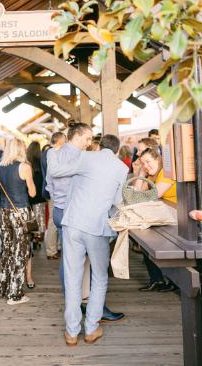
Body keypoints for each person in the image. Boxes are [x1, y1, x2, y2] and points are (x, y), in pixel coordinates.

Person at [47, 131, 129, 346]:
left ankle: (72, 332)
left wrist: (52, 151)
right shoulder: (122, 168)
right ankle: (91, 329)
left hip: (73, 223)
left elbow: (56, 171)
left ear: (98, 145)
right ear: (117, 150)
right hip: (97, 227)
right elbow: (118, 201)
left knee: (73, 279)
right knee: (99, 278)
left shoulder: (86, 157)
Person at [124, 143, 176, 291]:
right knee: (145, 240)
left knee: (151, 241)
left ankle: (170, 281)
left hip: (176, 216)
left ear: (158, 159)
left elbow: (155, 194)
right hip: (163, 215)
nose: (146, 166)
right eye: (143, 163)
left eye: (148, 162)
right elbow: (136, 193)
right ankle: (157, 279)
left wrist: (140, 188)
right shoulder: (152, 175)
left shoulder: (167, 172)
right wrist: (141, 173)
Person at [0, 136, 36, 305]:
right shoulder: (25, 167)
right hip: (20, 212)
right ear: (21, 149)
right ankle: (15, 295)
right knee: (21, 252)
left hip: (4, 212)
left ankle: (3, 288)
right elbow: (32, 193)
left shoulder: (0, 167)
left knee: (7, 250)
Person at [42, 129, 66, 258]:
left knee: (55, 220)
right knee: (53, 221)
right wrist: (52, 193)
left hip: (54, 192)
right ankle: (51, 250)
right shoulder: (50, 153)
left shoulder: (47, 153)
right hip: (54, 193)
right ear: (61, 140)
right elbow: (50, 175)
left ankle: (56, 247)